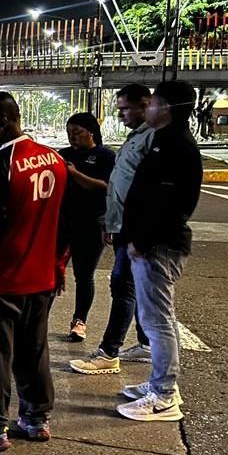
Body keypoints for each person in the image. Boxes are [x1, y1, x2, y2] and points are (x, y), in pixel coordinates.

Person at [0, 91, 68, 451]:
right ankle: (36, 419)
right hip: (41, 281)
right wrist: (58, 267)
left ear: (2, 122)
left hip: (2, 283)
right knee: (34, 352)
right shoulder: (54, 159)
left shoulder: (0, 164)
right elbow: (64, 222)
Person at [115, 80, 202, 421]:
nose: (146, 108)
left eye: (152, 103)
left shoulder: (176, 146)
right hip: (153, 244)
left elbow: (171, 205)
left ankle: (164, 394)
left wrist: (142, 241)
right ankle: (159, 385)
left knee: (158, 321)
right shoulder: (162, 142)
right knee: (155, 319)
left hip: (159, 247)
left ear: (165, 108)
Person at [69, 85, 153, 375]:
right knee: (131, 287)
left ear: (147, 103)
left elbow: (144, 191)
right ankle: (143, 344)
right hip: (122, 227)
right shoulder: (138, 137)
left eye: (124, 109)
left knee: (125, 287)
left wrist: (134, 231)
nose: (120, 115)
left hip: (136, 231)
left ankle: (110, 352)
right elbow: (122, 186)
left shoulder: (157, 140)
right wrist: (114, 223)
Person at [59, 112, 116, 342]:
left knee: (84, 275)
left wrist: (74, 174)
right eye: (69, 132)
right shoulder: (63, 155)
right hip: (64, 222)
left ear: (90, 132)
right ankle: (38, 318)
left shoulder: (104, 155)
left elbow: (105, 187)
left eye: (77, 132)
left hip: (92, 223)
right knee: (54, 270)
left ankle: (79, 320)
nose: (72, 137)